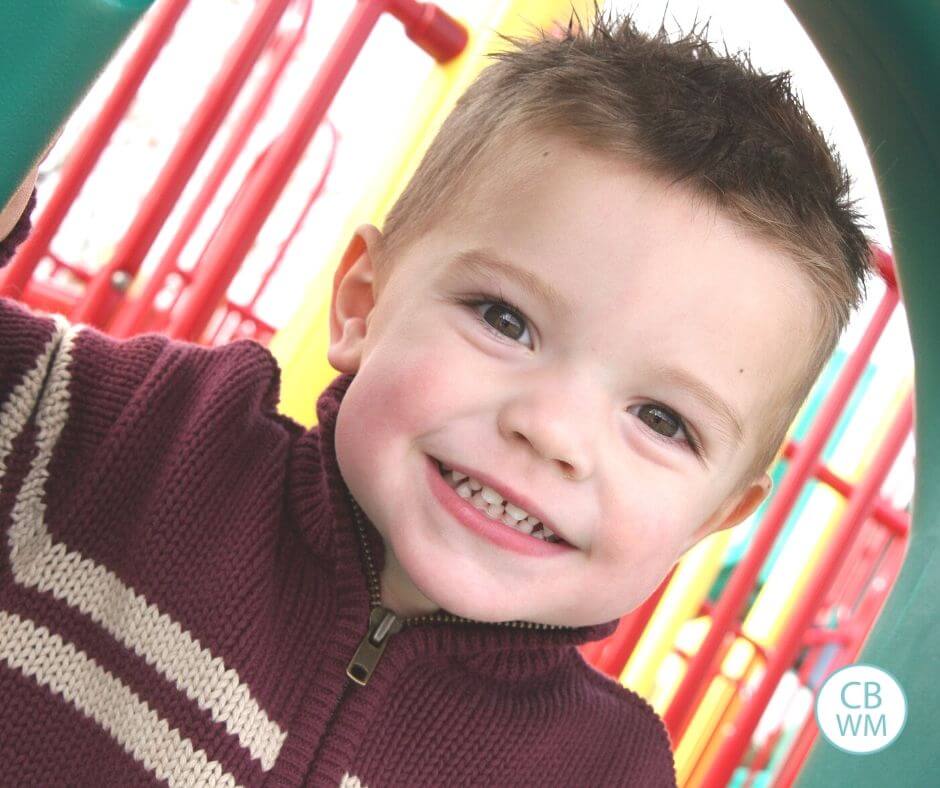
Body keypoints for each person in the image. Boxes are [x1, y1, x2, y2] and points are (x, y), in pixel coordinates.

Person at [0, 7, 872, 786]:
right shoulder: (124, 436)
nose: (552, 429)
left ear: (715, 519)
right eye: (505, 320)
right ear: (362, 306)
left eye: (662, 420)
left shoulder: (606, 773)